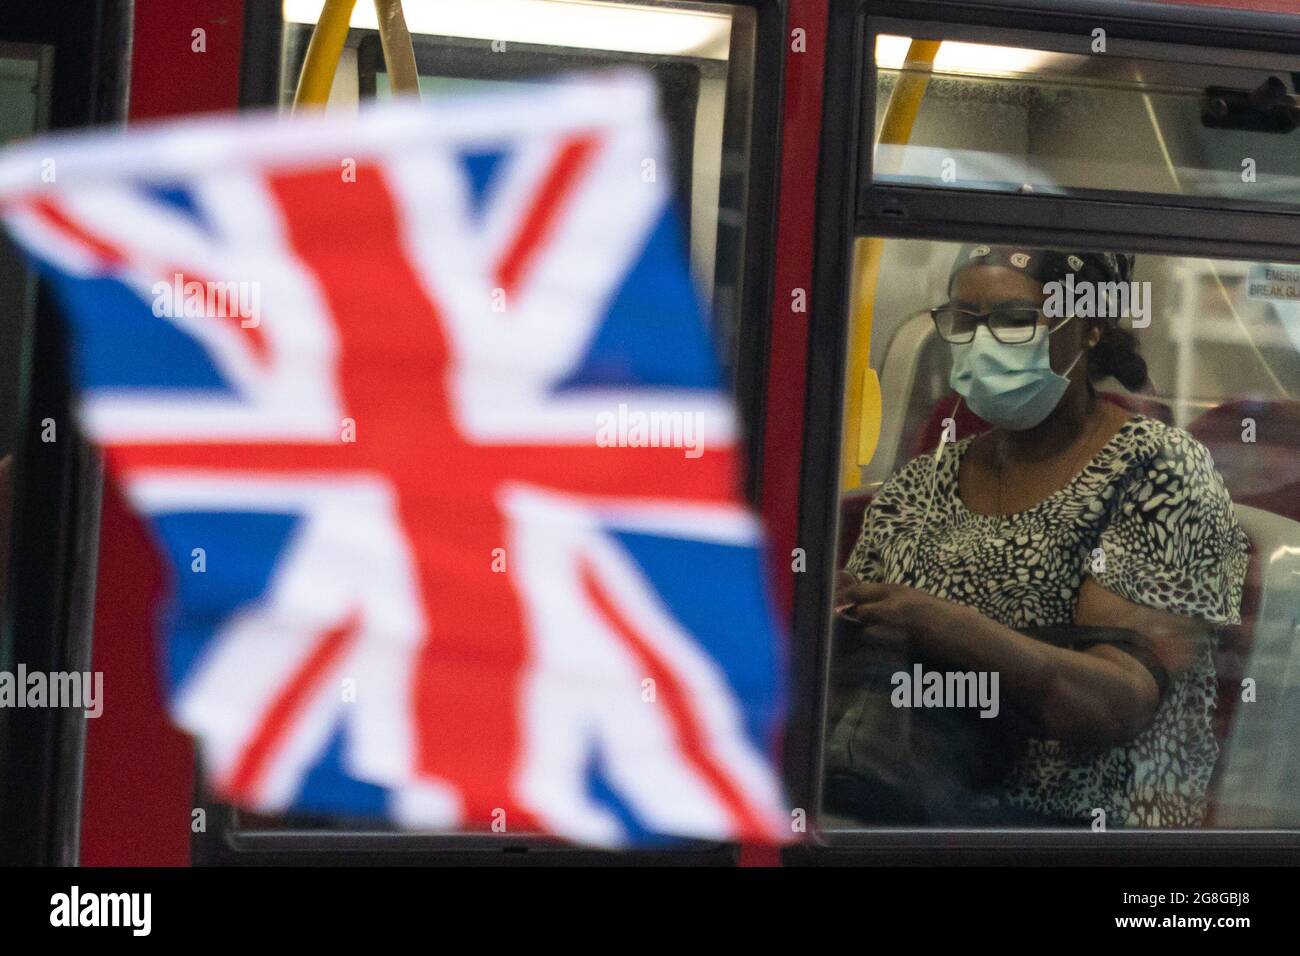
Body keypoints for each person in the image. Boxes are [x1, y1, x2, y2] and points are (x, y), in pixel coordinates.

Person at [834, 244, 1249, 827]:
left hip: (1083, 819)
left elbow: (1115, 705)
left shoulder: (1156, 470)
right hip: (912, 795)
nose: (980, 344)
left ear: (1090, 328)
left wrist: (944, 624)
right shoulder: (922, 482)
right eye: (964, 320)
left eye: (1013, 321)